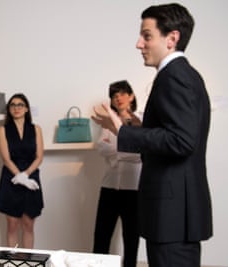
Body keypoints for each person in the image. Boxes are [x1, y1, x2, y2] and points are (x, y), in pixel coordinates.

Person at [92, 3, 212, 267]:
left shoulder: (174, 76)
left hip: (173, 213)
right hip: (176, 211)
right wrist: (135, 130)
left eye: (147, 36)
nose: (139, 44)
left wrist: (122, 131)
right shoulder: (183, 75)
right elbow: (176, 136)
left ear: (172, 39)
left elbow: (182, 141)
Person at [93, 80, 141, 267]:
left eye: (122, 93)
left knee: (131, 237)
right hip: (109, 186)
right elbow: (101, 147)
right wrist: (124, 152)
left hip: (133, 188)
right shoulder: (107, 122)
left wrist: (116, 152)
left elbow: (139, 152)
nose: (118, 98)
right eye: (114, 95)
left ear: (131, 96)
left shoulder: (140, 120)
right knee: (101, 235)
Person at [0, 93, 44, 249]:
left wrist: (26, 175)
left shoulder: (36, 129)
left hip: (31, 178)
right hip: (11, 178)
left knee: (29, 224)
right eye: (13, 105)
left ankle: (28, 263)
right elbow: (6, 158)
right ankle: (13, 263)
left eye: (20, 105)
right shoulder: (3, 130)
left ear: (26, 109)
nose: (16, 108)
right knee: (12, 225)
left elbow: (39, 157)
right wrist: (19, 176)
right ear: (9, 109)